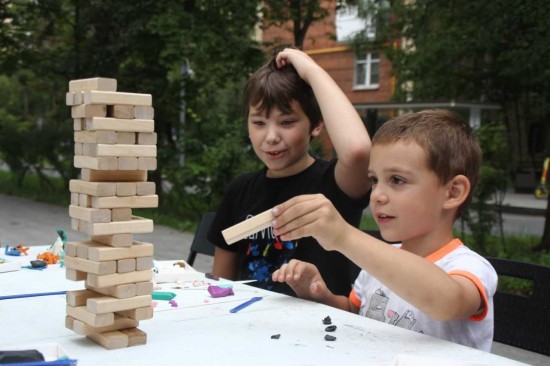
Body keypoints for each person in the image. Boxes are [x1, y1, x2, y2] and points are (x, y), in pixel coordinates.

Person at [271, 109, 498, 351]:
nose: (377, 195)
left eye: (397, 180)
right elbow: (355, 311)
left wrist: (344, 236)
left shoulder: (469, 267)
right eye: (374, 180)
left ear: (452, 192)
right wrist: (319, 295)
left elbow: (446, 302)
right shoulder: (378, 261)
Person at [207, 48, 371, 296]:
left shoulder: (334, 183)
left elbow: (358, 151)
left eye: (286, 122)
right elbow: (221, 285)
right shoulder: (239, 191)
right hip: (250, 326)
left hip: (323, 328)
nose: (271, 137)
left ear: (315, 125)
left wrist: (311, 70)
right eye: (259, 123)